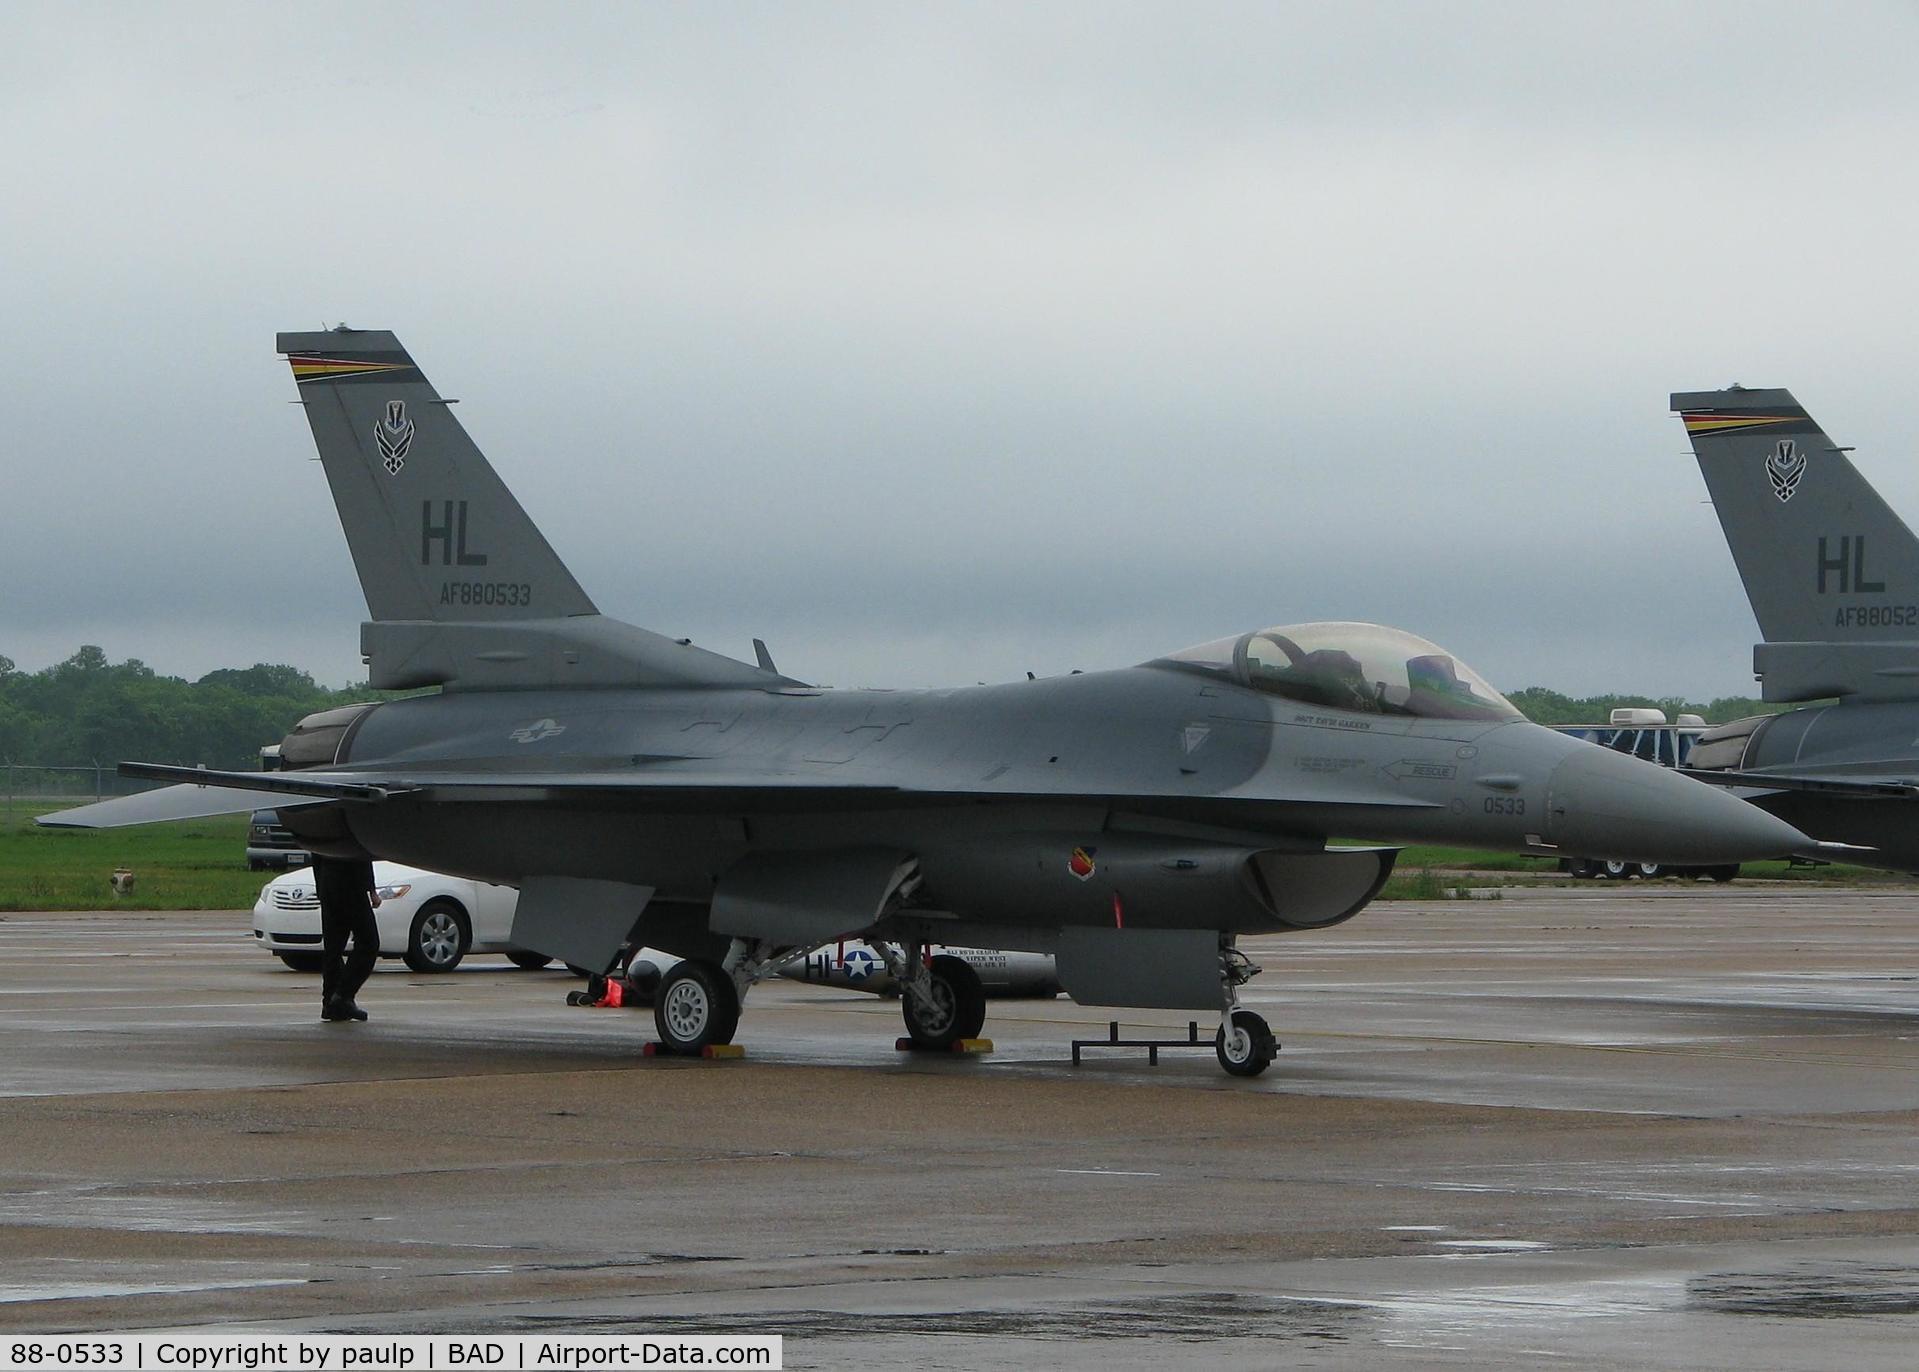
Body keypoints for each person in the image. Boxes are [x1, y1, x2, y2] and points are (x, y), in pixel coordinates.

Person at [313, 855, 381, 1022]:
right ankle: (343, 996)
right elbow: (358, 850)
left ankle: (329, 1001)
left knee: (333, 946)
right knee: (368, 942)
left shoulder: (324, 827)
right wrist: (371, 889)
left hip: (327, 878)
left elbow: (315, 850)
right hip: (351, 881)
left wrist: (320, 886)